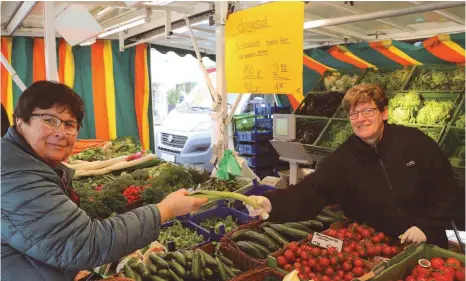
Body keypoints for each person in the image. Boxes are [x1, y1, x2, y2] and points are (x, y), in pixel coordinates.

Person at [1, 80, 208, 281]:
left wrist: (70, 271)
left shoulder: (24, 164)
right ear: (20, 121)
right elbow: (84, 243)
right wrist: (165, 210)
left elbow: (49, 240)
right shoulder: (15, 176)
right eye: (49, 120)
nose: (61, 133)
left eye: (70, 124)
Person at [247, 84, 456, 248]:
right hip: (378, 249)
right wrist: (271, 203)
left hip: (427, 241)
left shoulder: (415, 142)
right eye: (354, 114)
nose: (360, 119)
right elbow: (309, 191)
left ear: (384, 113)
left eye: (368, 111)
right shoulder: (343, 159)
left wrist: (426, 226)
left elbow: (445, 187)